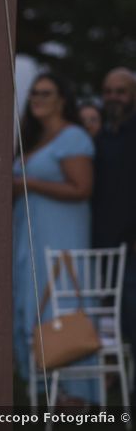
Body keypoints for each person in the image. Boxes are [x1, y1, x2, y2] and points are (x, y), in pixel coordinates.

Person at [12, 72, 98, 406]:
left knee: (58, 308)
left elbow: (82, 188)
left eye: (46, 93)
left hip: (61, 238)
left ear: (62, 98)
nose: (37, 99)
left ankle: (75, 393)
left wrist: (29, 184)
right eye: (34, 93)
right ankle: (44, 386)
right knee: (30, 305)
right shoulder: (33, 140)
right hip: (29, 236)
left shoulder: (73, 137)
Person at [90, 67, 136, 410]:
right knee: (109, 326)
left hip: (132, 247)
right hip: (102, 245)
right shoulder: (102, 136)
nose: (113, 97)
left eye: (120, 91)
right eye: (108, 91)